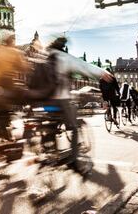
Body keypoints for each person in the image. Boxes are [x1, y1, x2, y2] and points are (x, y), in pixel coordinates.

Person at [38, 37, 113, 175]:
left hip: (45, 101)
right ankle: (73, 160)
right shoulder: (63, 57)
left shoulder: (45, 58)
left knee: (49, 124)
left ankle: (47, 151)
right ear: (62, 46)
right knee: (73, 127)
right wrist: (102, 72)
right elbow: (83, 66)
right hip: (61, 99)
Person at [0, 29, 29, 140]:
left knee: (2, 107)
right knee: (23, 96)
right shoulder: (13, 52)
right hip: (7, 83)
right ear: (11, 41)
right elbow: (22, 67)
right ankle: (11, 130)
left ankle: (0, 129)